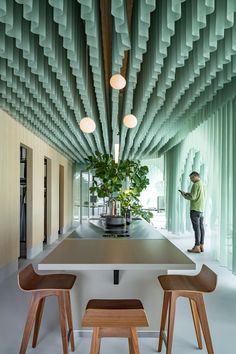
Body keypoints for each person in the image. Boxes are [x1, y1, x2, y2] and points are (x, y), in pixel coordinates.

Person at [179, 171, 206, 253]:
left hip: (195, 209)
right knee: (201, 228)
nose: (191, 180)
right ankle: (201, 245)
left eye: (192, 178)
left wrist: (184, 195)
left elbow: (193, 197)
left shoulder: (195, 184)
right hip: (201, 209)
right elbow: (199, 195)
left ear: (196, 176)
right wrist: (189, 193)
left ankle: (196, 246)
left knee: (196, 229)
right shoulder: (202, 184)